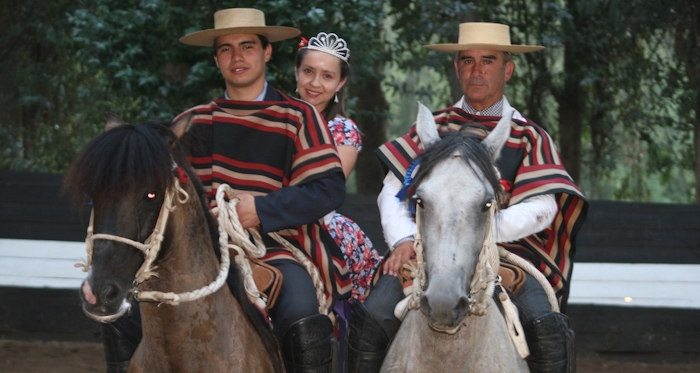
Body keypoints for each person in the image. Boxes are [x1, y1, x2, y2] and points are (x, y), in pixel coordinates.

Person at [100, 8, 350, 373]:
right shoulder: (192, 121)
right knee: (120, 316)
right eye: (226, 49)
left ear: (267, 53)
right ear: (216, 58)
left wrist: (261, 210)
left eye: (247, 46)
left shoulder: (298, 116)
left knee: (301, 318)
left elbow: (327, 189)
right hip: (195, 252)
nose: (237, 57)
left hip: (276, 248)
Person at [348, 22, 588, 373]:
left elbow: (543, 207)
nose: (476, 70)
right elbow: (391, 192)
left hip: (508, 253)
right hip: (425, 248)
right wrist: (402, 238)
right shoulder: (431, 130)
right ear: (457, 67)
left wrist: (480, 232)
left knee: (545, 326)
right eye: (467, 61)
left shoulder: (530, 136)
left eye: (487, 61)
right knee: (371, 317)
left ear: (508, 69)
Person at [295, 32, 381, 304]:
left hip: (320, 229)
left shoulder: (343, 131)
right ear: (296, 72)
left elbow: (322, 192)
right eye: (308, 71)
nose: (315, 83)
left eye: (327, 76)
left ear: (341, 82)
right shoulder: (272, 119)